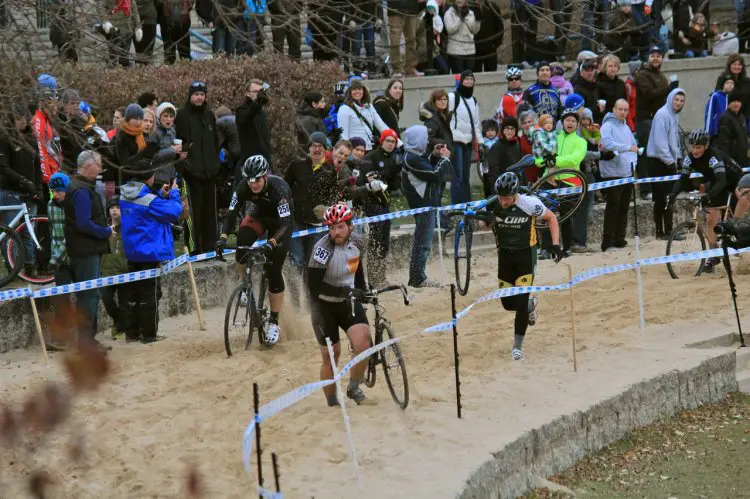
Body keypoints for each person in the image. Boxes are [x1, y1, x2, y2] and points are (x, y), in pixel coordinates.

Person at [217, 155, 293, 345]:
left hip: (280, 225)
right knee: (242, 239)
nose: (253, 184)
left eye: (257, 180)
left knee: (273, 269)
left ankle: (274, 321)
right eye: (249, 180)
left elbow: (286, 223)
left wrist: (271, 243)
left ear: (265, 176)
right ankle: (243, 284)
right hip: (259, 215)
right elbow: (232, 213)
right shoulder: (242, 186)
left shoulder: (279, 189)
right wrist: (223, 238)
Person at [488, 172, 562, 361]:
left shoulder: (529, 203)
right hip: (504, 256)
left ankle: (517, 347)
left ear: (515, 195)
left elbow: (551, 218)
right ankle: (530, 305)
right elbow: (482, 222)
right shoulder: (493, 203)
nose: (503, 202)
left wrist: (555, 244)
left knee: (520, 302)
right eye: (501, 198)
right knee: (508, 304)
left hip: (525, 256)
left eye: (507, 199)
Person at [307, 203, 370, 407]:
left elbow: (356, 268)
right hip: (323, 307)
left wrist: (363, 290)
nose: (335, 232)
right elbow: (314, 286)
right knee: (331, 355)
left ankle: (353, 386)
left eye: (340, 227)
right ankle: (332, 401)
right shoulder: (322, 250)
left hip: (347, 301)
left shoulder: (358, 242)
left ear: (350, 226)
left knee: (363, 343)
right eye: (331, 228)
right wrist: (347, 291)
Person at [668, 130, 749, 272]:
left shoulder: (713, 157)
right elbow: (683, 179)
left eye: (698, 147)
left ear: (706, 146)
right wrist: (673, 195)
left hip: (733, 178)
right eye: (692, 147)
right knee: (710, 218)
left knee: (743, 197)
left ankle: (736, 223)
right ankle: (714, 255)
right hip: (716, 181)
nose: (695, 150)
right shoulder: (689, 158)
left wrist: (709, 195)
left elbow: (723, 181)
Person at [120, 160, 182, 342]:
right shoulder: (149, 200)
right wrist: (175, 192)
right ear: (149, 177)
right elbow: (174, 211)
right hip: (149, 253)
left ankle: (131, 333)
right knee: (150, 294)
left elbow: (146, 206)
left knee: (133, 295)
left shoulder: (125, 194)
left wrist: (160, 195)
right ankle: (149, 334)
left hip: (132, 251)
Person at [63, 151, 114, 350]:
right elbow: (84, 223)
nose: (101, 168)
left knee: (89, 295)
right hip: (86, 249)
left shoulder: (80, 186)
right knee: (89, 296)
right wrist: (105, 232)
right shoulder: (81, 189)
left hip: (85, 248)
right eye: (99, 164)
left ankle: (88, 339)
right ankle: (86, 341)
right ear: (88, 165)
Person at [401, 125, 451, 288]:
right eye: (424, 138)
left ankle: (418, 276)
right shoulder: (411, 158)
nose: (427, 140)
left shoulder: (416, 155)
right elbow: (434, 175)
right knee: (422, 243)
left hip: (427, 203)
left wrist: (434, 155)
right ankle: (417, 278)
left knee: (423, 241)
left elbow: (428, 167)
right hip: (423, 204)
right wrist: (444, 159)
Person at [174, 81, 221, 255]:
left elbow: (216, 141)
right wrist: (184, 165)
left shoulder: (209, 115)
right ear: (190, 96)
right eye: (196, 94)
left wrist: (215, 164)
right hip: (190, 173)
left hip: (209, 171)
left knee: (209, 212)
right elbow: (178, 142)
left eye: (202, 94)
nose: (199, 97)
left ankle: (210, 247)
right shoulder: (182, 115)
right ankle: (195, 249)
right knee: (193, 213)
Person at [0, 104, 42, 276]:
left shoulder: (32, 140)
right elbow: (3, 167)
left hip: (29, 191)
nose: (22, 122)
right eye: (18, 119)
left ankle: (30, 266)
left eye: (24, 119)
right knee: (11, 232)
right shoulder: (4, 139)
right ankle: (13, 268)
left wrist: (37, 188)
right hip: (11, 190)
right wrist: (23, 181)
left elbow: (37, 166)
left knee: (28, 229)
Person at [635, 46, 676, 200]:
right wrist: (668, 89)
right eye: (653, 55)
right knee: (645, 153)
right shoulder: (642, 75)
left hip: (660, 119)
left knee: (659, 154)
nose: (656, 58)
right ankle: (645, 189)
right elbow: (649, 94)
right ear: (648, 58)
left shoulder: (662, 76)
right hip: (646, 119)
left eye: (659, 56)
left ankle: (659, 186)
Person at [361, 129, 401, 287]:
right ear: (381, 141)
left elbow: (395, 186)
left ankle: (381, 276)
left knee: (384, 242)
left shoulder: (393, 159)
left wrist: (397, 171)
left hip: (385, 203)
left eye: (393, 142)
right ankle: (372, 279)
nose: (390, 144)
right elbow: (365, 179)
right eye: (388, 141)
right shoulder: (371, 157)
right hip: (371, 203)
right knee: (375, 241)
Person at [646, 87, 686, 239]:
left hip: (668, 160)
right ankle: (660, 232)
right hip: (658, 161)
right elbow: (660, 142)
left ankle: (669, 231)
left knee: (670, 196)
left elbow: (674, 139)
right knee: (660, 198)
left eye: (681, 101)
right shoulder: (662, 115)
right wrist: (670, 161)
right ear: (670, 99)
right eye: (676, 99)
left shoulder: (674, 115)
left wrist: (679, 157)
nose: (678, 103)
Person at [599, 99, 637, 252]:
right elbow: (606, 144)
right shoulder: (607, 126)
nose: (623, 112)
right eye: (620, 109)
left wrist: (633, 161)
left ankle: (619, 238)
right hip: (612, 173)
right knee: (613, 206)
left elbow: (634, 146)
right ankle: (607, 241)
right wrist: (627, 149)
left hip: (626, 172)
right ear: (614, 109)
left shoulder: (626, 127)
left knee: (624, 207)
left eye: (625, 110)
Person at [99, 195, 132, 340]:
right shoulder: (103, 229)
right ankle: (119, 321)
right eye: (112, 208)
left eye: (117, 208)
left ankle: (120, 328)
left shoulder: (128, 228)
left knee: (125, 302)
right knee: (106, 299)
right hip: (106, 271)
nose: (114, 211)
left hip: (124, 271)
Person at [448, 70, 481, 205]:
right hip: (455, 141)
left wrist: (481, 142)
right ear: (461, 81)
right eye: (466, 79)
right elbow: (446, 116)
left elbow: (476, 124)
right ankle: (456, 206)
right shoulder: (453, 97)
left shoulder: (473, 100)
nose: (468, 81)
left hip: (468, 142)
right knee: (457, 176)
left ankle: (467, 205)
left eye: (471, 79)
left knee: (466, 177)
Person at [337, 79, 389, 152]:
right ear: (349, 92)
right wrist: (346, 153)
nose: (357, 91)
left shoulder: (369, 106)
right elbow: (343, 135)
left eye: (359, 89)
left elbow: (381, 125)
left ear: (363, 91)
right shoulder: (344, 109)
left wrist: (397, 142)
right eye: (354, 89)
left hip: (370, 148)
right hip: (355, 151)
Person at [115, 104, 158, 183]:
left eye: (140, 118)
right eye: (135, 118)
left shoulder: (139, 133)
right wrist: (143, 153)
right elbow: (125, 164)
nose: (138, 122)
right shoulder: (122, 136)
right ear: (128, 119)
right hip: (127, 181)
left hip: (140, 178)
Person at [236, 79, 272, 172]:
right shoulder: (241, 110)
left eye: (260, 91)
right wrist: (257, 103)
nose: (258, 94)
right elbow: (246, 118)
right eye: (255, 92)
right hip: (250, 162)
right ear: (247, 93)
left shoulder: (261, 112)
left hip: (264, 160)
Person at [150, 102, 185, 188]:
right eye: (165, 116)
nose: (168, 119)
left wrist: (179, 156)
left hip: (171, 177)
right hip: (157, 178)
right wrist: (172, 150)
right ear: (159, 117)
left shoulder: (173, 131)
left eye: (171, 116)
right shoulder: (154, 132)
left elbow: (171, 157)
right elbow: (153, 157)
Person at [33, 86, 62, 186]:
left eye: (56, 103)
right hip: (49, 177)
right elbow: (41, 151)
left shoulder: (47, 120)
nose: (54, 107)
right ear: (41, 103)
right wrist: (48, 178)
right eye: (50, 103)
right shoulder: (39, 121)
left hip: (55, 173)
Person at [100, 0, 143, 67]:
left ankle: (122, 73)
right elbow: (101, 7)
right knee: (113, 55)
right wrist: (105, 21)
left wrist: (138, 27)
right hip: (113, 29)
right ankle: (112, 73)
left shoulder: (131, 1)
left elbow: (135, 13)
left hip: (127, 30)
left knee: (124, 55)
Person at [443, 0, 481, 74]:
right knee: (458, 77)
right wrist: (460, 19)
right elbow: (450, 30)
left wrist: (478, 21)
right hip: (455, 51)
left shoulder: (470, 13)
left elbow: (475, 31)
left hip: (470, 50)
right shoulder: (449, 13)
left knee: (469, 76)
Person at [714, 90, 748, 168]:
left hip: (742, 160)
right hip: (732, 163)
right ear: (728, 103)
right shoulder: (725, 118)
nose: (736, 104)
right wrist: (730, 163)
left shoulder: (741, 117)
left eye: (738, 101)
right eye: (733, 101)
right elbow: (723, 144)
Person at [486, 116, 521, 193]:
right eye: (507, 128)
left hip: (516, 186)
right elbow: (493, 171)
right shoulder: (497, 147)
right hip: (502, 187)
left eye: (512, 129)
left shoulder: (517, 145)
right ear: (502, 130)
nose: (510, 131)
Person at [387, 0, 422, 76]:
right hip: (395, 8)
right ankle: (397, 69)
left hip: (411, 8)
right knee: (395, 40)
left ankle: (410, 68)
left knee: (412, 39)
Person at [474, 0, 503, 73]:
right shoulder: (469, 7)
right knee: (476, 74)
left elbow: (499, 26)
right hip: (475, 48)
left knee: (491, 72)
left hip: (490, 46)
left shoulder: (493, 7)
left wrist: (496, 43)